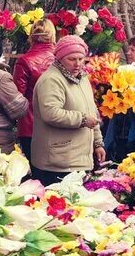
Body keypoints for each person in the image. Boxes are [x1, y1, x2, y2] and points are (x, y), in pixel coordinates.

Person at [31, 35, 106, 186]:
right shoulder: (51, 80)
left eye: (81, 59)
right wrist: (83, 120)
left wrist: (98, 143)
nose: (78, 64)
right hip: (57, 163)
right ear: (59, 58)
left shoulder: (82, 78)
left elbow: (92, 111)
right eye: (72, 59)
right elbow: (51, 113)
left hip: (77, 160)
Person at [13, 18, 56, 168]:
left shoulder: (25, 61)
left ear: (31, 36)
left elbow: (18, 97)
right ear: (52, 35)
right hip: (60, 125)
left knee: (36, 171)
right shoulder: (63, 60)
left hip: (31, 126)